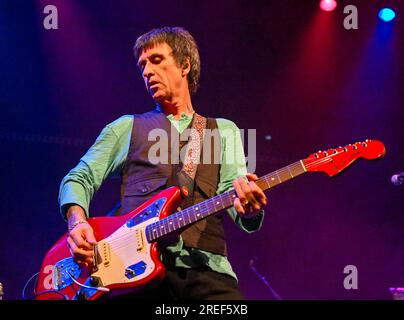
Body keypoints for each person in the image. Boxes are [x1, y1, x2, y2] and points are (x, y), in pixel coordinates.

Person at [60, 26, 267, 300]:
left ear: (184, 65)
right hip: (133, 275)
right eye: (142, 65)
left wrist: (248, 208)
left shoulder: (224, 130)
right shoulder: (126, 128)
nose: (146, 72)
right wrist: (77, 223)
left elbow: (237, 197)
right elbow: (79, 177)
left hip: (207, 272)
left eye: (156, 60)